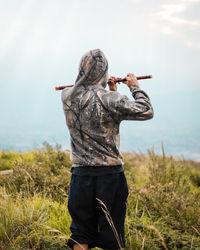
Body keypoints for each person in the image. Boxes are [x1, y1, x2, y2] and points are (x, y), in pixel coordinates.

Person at [61, 49, 153, 250]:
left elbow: (95, 112)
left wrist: (110, 91)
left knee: (80, 234)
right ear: (104, 71)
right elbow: (146, 111)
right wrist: (135, 87)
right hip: (109, 177)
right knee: (112, 237)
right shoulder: (112, 101)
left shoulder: (67, 96)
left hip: (80, 175)